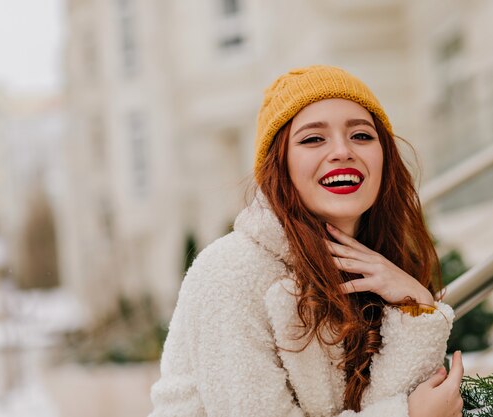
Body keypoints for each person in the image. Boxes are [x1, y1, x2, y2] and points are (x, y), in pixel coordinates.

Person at [149, 65, 464, 417]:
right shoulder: (230, 272)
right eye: (313, 139)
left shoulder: (382, 269)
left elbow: (394, 400)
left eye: (361, 135)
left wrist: (415, 306)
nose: (342, 151)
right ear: (278, 165)